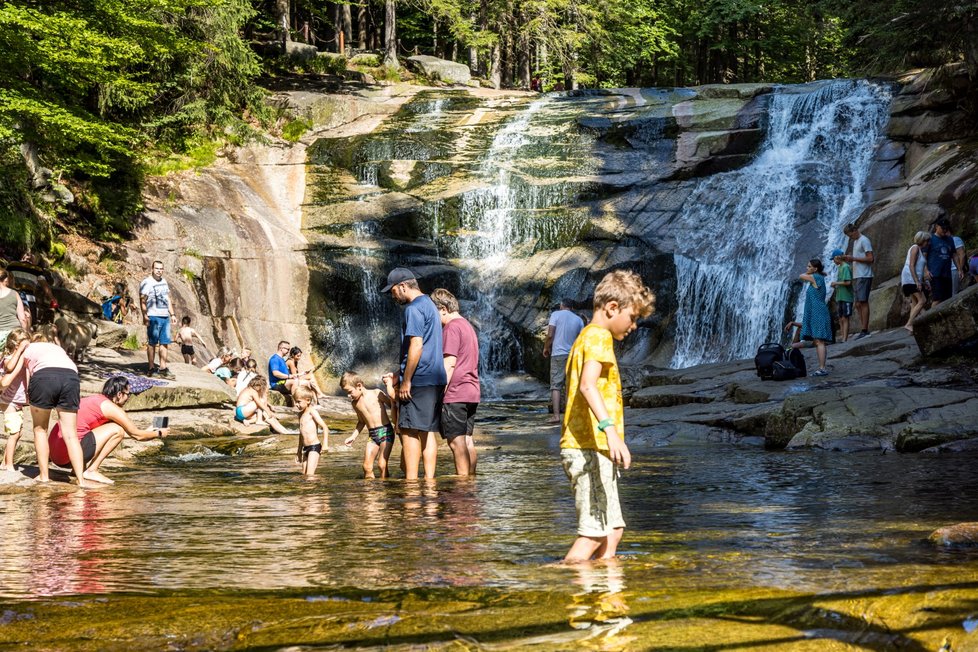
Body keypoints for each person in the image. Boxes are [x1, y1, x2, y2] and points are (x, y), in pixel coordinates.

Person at [561, 270, 655, 562]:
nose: (635, 325)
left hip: (595, 449)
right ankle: (558, 584)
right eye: (633, 316)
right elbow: (588, 385)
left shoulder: (589, 337)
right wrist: (610, 431)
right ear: (612, 307)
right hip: (587, 446)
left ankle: (609, 599)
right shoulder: (598, 337)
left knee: (613, 530)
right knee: (593, 534)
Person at [381, 267, 446, 480]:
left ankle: (411, 485)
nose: (392, 296)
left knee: (408, 432)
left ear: (403, 286)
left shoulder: (413, 309)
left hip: (418, 380)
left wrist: (406, 379)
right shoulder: (430, 305)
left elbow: (416, 346)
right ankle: (429, 482)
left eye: (392, 291)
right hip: (435, 379)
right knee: (427, 433)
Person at [4, 330, 92, 486]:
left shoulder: (26, 349)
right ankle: (81, 480)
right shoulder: (55, 348)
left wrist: (19, 350)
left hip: (44, 376)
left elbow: (11, 368)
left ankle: (44, 476)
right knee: (71, 434)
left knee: (40, 430)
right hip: (71, 376)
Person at [47, 376, 170, 485]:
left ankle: (77, 470)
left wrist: (147, 431)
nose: (129, 398)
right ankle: (92, 470)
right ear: (119, 395)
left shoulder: (95, 400)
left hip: (56, 453)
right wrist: (158, 433)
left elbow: (101, 434)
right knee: (117, 430)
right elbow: (136, 435)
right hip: (66, 457)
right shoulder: (110, 407)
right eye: (129, 394)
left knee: (96, 431)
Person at [431, 288, 480, 476]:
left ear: (443, 309)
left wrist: (439, 392)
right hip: (472, 391)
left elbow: (449, 364)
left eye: (435, 313)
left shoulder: (451, 328)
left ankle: (463, 482)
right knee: (467, 439)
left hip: (455, 392)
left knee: (455, 441)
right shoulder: (468, 326)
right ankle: (471, 479)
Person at [341, 371, 396, 479]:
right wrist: (353, 436)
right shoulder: (355, 403)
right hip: (372, 436)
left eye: (350, 391)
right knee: (366, 467)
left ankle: (387, 489)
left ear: (359, 386)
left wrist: (398, 424)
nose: (348, 395)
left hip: (386, 432)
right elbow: (361, 421)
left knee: (382, 465)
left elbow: (393, 405)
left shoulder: (376, 393)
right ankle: (370, 493)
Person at [544, 298, 585, 423]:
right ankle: (569, 416)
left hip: (558, 354)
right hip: (573, 355)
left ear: (562, 305)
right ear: (571, 307)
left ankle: (556, 416)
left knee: (556, 386)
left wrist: (546, 347)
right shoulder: (578, 319)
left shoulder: (555, 315)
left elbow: (550, 335)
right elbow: (582, 339)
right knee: (570, 385)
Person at [139, 260, 176, 379]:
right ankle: (151, 368)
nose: (159, 271)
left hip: (165, 316)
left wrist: (172, 314)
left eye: (161, 269)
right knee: (152, 343)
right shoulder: (147, 282)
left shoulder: (164, 282)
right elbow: (142, 300)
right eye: (157, 268)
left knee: (164, 343)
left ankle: (163, 368)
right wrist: (145, 315)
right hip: (153, 316)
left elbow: (168, 299)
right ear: (152, 269)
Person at [1, 330, 30, 471]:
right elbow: (10, 367)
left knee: (18, 433)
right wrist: (19, 351)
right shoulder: (8, 357)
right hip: (8, 400)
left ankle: (4, 463)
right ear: (16, 345)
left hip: (17, 400)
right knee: (14, 433)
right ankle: (9, 465)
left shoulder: (22, 358)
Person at [800, 259, 832, 376]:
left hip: (819, 313)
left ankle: (822, 368)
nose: (807, 268)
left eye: (809, 266)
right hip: (816, 312)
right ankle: (822, 367)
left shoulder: (816, 278)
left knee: (819, 341)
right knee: (818, 341)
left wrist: (809, 273)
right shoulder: (816, 278)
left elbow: (801, 275)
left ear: (815, 269)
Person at [842, 223, 873, 339]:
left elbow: (871, 258)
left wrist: (853, 258)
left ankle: (865, 330)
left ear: (855, 230)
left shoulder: (864, 240)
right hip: (858, 275)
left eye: (850, 235)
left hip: (864, 275)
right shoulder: (856, 241)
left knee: (863, 302)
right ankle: (863, 329)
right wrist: (848, 259)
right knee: (858, 304)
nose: (850, 238)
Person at [293, 386, 328, 476]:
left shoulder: (312, 412)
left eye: (298, 402)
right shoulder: (300, 414)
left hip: (314, 447)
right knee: (304, 474)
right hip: (306, 448)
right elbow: (301, 434)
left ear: (308, 400)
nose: (296, 404)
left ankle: (321, 487)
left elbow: (325, 427)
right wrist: (299, 451)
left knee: (309, 475)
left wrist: (325, 444)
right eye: (295, 401)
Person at [900, 232, 930, 333]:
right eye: (927, 241)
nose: (928, 243)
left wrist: (923, 281)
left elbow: (918, 268)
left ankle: (911, 329)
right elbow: (911, 265)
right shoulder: (915, 248)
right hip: (910, 279)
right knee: (922, 301)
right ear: (922, 241)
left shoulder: (919, 250)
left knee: (915, 303)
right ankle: (909, 324)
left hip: (912, 279)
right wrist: (917, 282)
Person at [925, 218, 956, 308]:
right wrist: (926, 270)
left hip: (947, 273)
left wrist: (960, 269)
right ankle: (930, 321)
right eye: (943, 228)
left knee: (948, 298)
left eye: (946, 228)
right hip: (935, 273)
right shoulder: (930, 239)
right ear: (936, 227)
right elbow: (924, 256)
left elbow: (954, 255)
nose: (945, 230)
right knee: (937, 298)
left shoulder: (950, 239)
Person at [0, 268, 29, 346]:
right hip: (14, 333)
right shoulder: (14, 293)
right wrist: (25, 334)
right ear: (6, 279)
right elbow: (23, 319)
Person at [829, 249, 853, 342]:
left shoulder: (845, 267)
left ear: (837, 257)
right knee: (840, 318)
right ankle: (843, 336)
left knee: (845, 317)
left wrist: (836, 283)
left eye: (833, 259)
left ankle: (845, 339)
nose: (833, 261)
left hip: (846, 296)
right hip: (840, 296)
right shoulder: (840, 267)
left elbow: (848, 282)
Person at [948, 223, 966, 296]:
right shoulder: (947, 241)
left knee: (954, 293)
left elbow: (962, 255)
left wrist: (960, 270)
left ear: (949, 231)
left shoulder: (955, 239)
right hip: (949, 270)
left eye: (945, 231)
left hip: (955, 269)